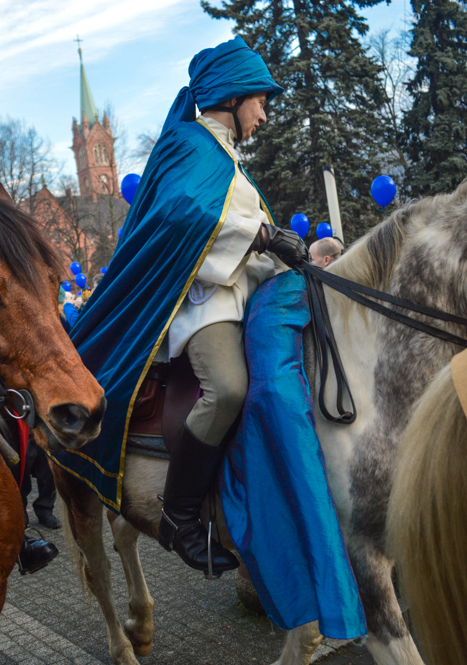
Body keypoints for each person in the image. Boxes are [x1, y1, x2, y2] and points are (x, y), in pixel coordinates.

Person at [62, 37, 305, 576]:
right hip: (205, 302)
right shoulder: (190, 144)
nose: (264, 114)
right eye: (260, 100)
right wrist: (261, 235)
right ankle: (180, 515)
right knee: (228, 389)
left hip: (247, 294)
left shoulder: (225, 156)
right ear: (234, 95)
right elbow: (181, 218)